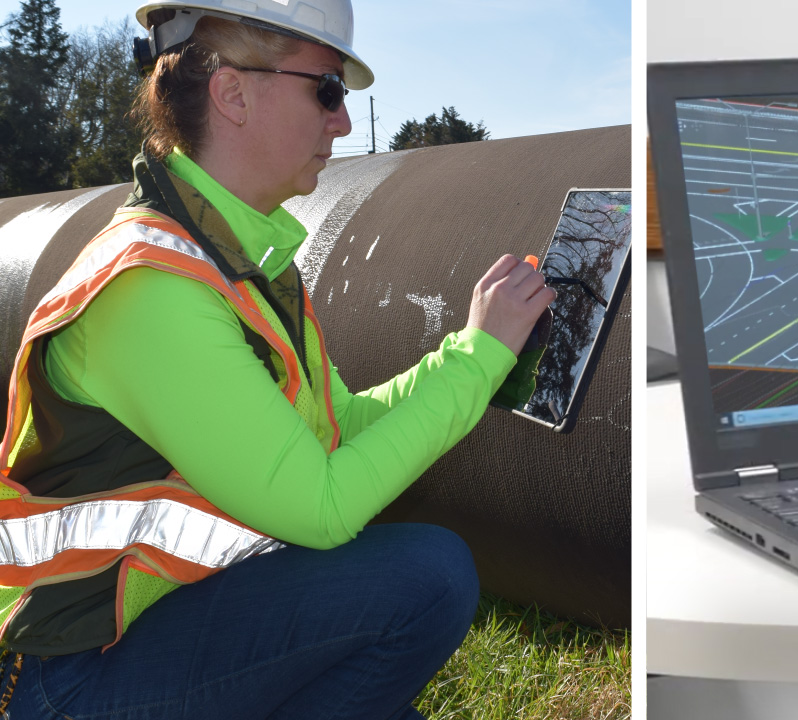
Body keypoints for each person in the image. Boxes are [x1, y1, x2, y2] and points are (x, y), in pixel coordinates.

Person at [0, 1, 554, 717]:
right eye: (326, 89)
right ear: (232, 92)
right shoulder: (150, 287)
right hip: (68, 687)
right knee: (429, 575)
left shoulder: (243, 262)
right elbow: (322, 508)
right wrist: (478, 361)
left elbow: (342, 422)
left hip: (156, 634)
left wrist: (472, 352)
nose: (344, 123)